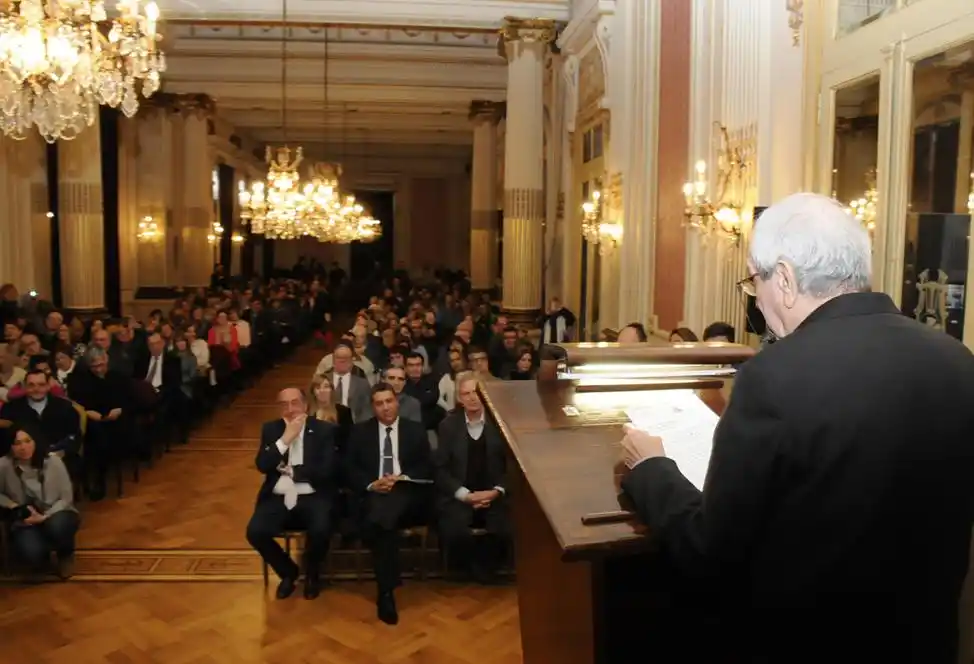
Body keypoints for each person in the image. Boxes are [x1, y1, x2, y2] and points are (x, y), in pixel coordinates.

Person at [619, 192, 974, 664]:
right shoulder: (957, 361)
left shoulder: (774, 376)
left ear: (784, 279)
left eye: (754, 282)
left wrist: (652, 468)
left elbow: (708, 549)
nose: (758, 301)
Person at [344, 382, 433, 625]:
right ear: (373, 408)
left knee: (382, 514)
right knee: (383, 518)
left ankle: (385, 591)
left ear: (397, 402)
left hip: (408, 496)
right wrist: (373, 483)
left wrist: (402, 479)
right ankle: (386, 590)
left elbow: (426, 466)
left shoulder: (415, 430)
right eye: (379, 403)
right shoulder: (360, 432)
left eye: (389, 401)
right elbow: (349, 469)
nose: (385, 408)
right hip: (374, 495)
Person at [245, 387, 337, 600]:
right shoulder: (271, 429)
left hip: (313, 494)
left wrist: (296, 472)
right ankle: (288, 572)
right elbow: (263, 465)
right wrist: (285, 440)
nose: (290, 409)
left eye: (295, 403)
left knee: (322, 528)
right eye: (284, 405)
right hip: (278, 495)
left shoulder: (323, 430)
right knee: (255, 532)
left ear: (305, 405)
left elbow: (328, 470)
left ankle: (313, 572)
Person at [0, 423, 79, 577]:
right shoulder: (3, 465)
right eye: (17, 444)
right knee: (32, 553)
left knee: (57, 527)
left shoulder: (53, 462)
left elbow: (66, 497)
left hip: (57, 512)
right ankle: (42, 559)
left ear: (35, 441)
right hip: (26, 519)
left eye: (27, 441)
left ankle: (65, 555)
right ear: (10, 447)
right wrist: (13, 506)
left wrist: (45, 516)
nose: (23, 447)